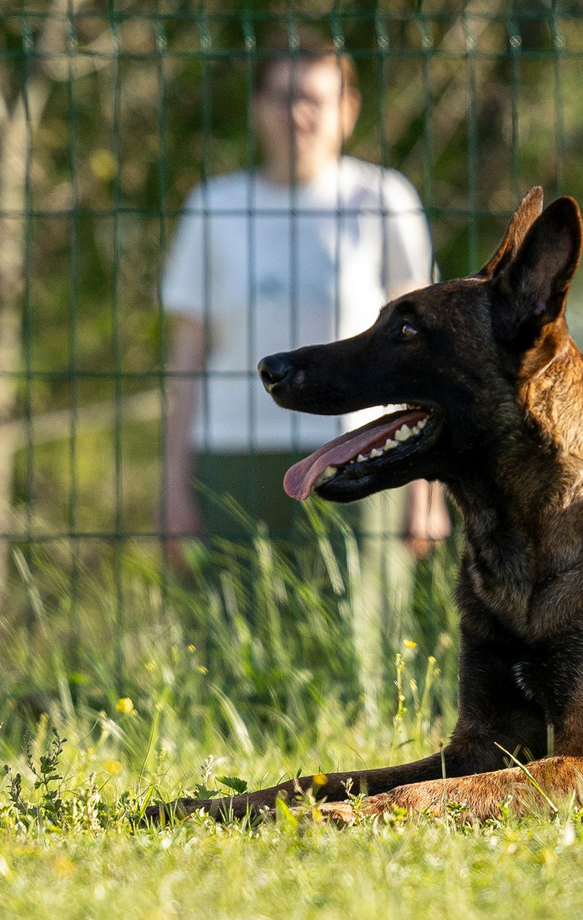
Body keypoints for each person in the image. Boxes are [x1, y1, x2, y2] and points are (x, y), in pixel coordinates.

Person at [160, 42, 447, 717]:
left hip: (356, 451)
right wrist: (172, 484)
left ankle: (358, 767)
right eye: (283, 96)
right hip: (230, 456)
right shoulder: (214, 207)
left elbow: (424, 357)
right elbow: (185, 357)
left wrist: (427, 482)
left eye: (314, 97)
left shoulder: (383, 199)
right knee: (231, 649)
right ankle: (225, 775)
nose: (298, 113)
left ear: (346, 110)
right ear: (259, 109)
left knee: (358, 648)